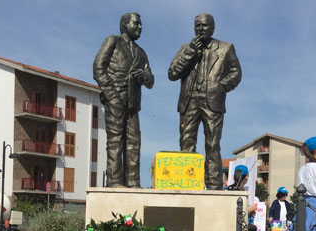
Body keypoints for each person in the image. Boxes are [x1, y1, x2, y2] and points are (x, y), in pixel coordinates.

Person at [168, 13, 242, 190]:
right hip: (189, 100)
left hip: (213, 101)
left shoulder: (225, 48)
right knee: (186, 143)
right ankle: (188, 183)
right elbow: (172, 73)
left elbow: (236, 73)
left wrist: (221, 87)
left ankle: (214, 185)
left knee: (212, 144)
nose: (201, 29)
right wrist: (190, 52)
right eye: (197, 26)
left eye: (205, 25)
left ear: (213, 28)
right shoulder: (186, 47)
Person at [93, 12, 154, 188]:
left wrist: (144, 76)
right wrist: (111, 94)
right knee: (115, 141)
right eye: (136, 24)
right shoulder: (112, 41)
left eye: (141, 24)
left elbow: (150, 80)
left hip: (133, 104)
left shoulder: (141, 53)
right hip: (115, 99)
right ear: (125, 24)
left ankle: (133, 182)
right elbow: (98, 68)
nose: (140, 27)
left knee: (134, 143)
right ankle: (114, 182)